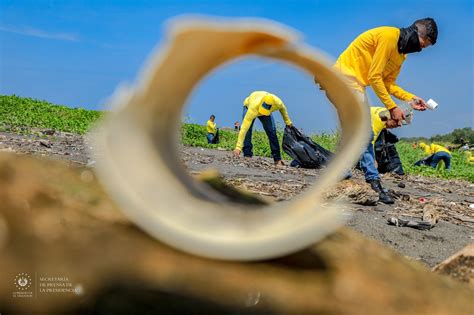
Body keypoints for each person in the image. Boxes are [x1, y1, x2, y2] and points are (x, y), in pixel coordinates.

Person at [329, 18, 438, 124]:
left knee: (362, 129)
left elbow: (388, 83)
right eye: (421, 45)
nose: (418, 50)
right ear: (415, 33)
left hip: (355, 85)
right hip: (342, 79)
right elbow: (374, 76)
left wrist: (411, 98)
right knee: (364, 128)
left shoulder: (402, 55)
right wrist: (392, 108)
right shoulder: (389, 36)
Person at [233, 91, 292, 166]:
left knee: (272, 131)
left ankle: (277, 159)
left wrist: (288, 122)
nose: (262, 114)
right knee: (248, 130)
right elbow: (244, 128)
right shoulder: (253, 108)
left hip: (267, 111)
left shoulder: (277, 102)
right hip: (250, 106)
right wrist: (238, 147)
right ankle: (247, 155)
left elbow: (283, 109)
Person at [359, 106, 403, 204]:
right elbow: (370, 142)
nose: (399, 125)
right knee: (365, 145)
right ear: (392, 117)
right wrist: (373, 160)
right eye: (397, 122)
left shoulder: (385, 114)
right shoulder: (379, 120)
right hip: (355, 118)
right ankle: (374, 183)